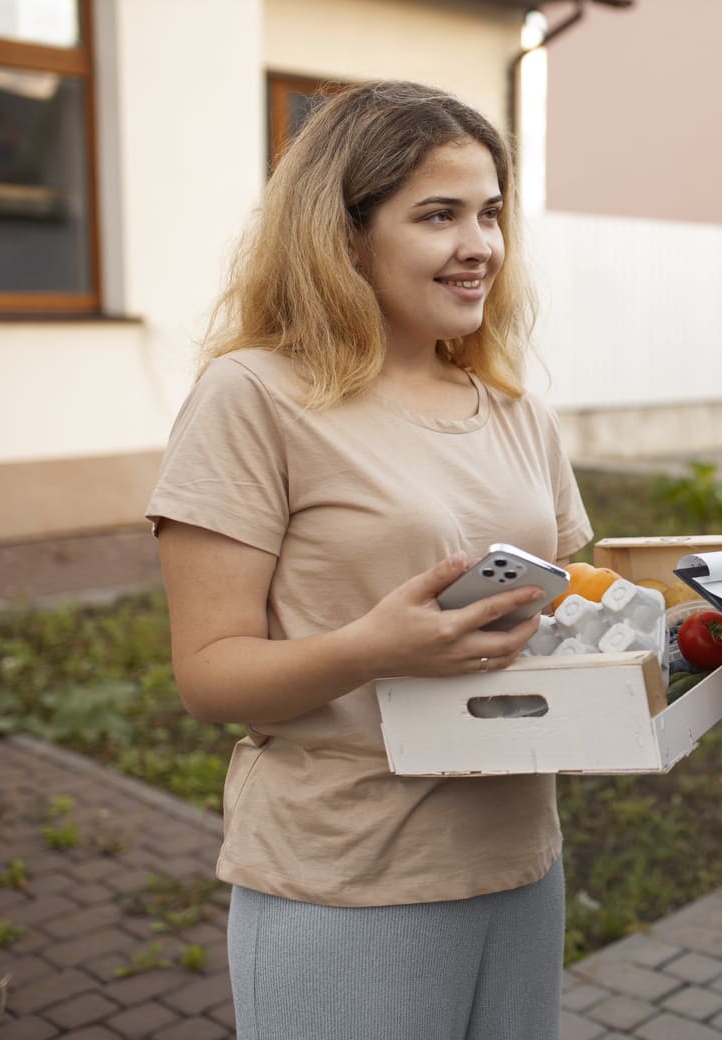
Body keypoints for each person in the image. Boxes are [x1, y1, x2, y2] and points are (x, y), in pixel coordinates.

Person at [146, 81, 592, 1040]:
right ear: (342, 235)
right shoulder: (253, 397)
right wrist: (373, 648)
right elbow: (209, 675)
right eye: (438, 215)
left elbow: (568, 612)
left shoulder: (517, 410)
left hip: (518, 858)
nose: (479, 245)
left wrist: (669, 650)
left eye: (490, 214)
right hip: (347, 872)